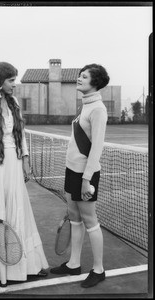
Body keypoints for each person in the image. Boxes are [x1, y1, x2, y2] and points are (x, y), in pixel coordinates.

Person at [0, 62, 49, 288]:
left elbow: (20, 134)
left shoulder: (14, 103)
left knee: (18, 210)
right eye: (11, 80)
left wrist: (25, 159)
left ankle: (26, 266)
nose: (15, 84)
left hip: (14, 164)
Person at [50, 64, 110, 288]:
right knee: (74, 216)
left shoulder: (98, 110)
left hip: (86, 174)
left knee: (90, 220)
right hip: (71, 170)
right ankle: (74, 264)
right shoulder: (85, 105)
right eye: (79, 75)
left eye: (84, 77)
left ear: (95, 82)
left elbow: (96, 148)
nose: (79, 79)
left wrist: (87, 179)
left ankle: (99, 269)